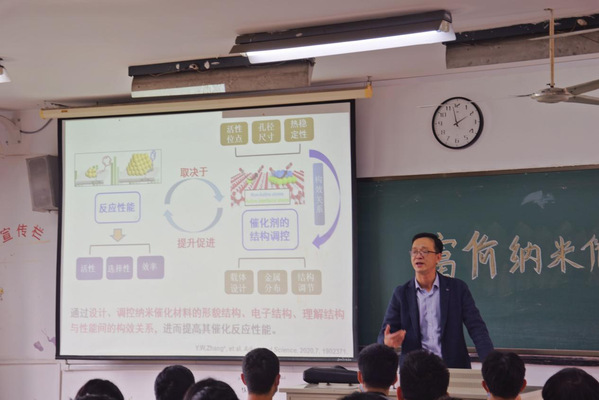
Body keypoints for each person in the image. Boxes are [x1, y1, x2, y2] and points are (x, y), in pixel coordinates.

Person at [378, 232, 494, 368]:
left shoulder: (457, 289)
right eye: (414, 251)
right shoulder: (401, 294)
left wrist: (491, 363)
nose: (418, 256)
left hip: (452, 368)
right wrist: (387, 342)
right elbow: (384, 335)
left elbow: (477, 328)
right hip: (414, 370)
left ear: (438, 257)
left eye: (425, 251)